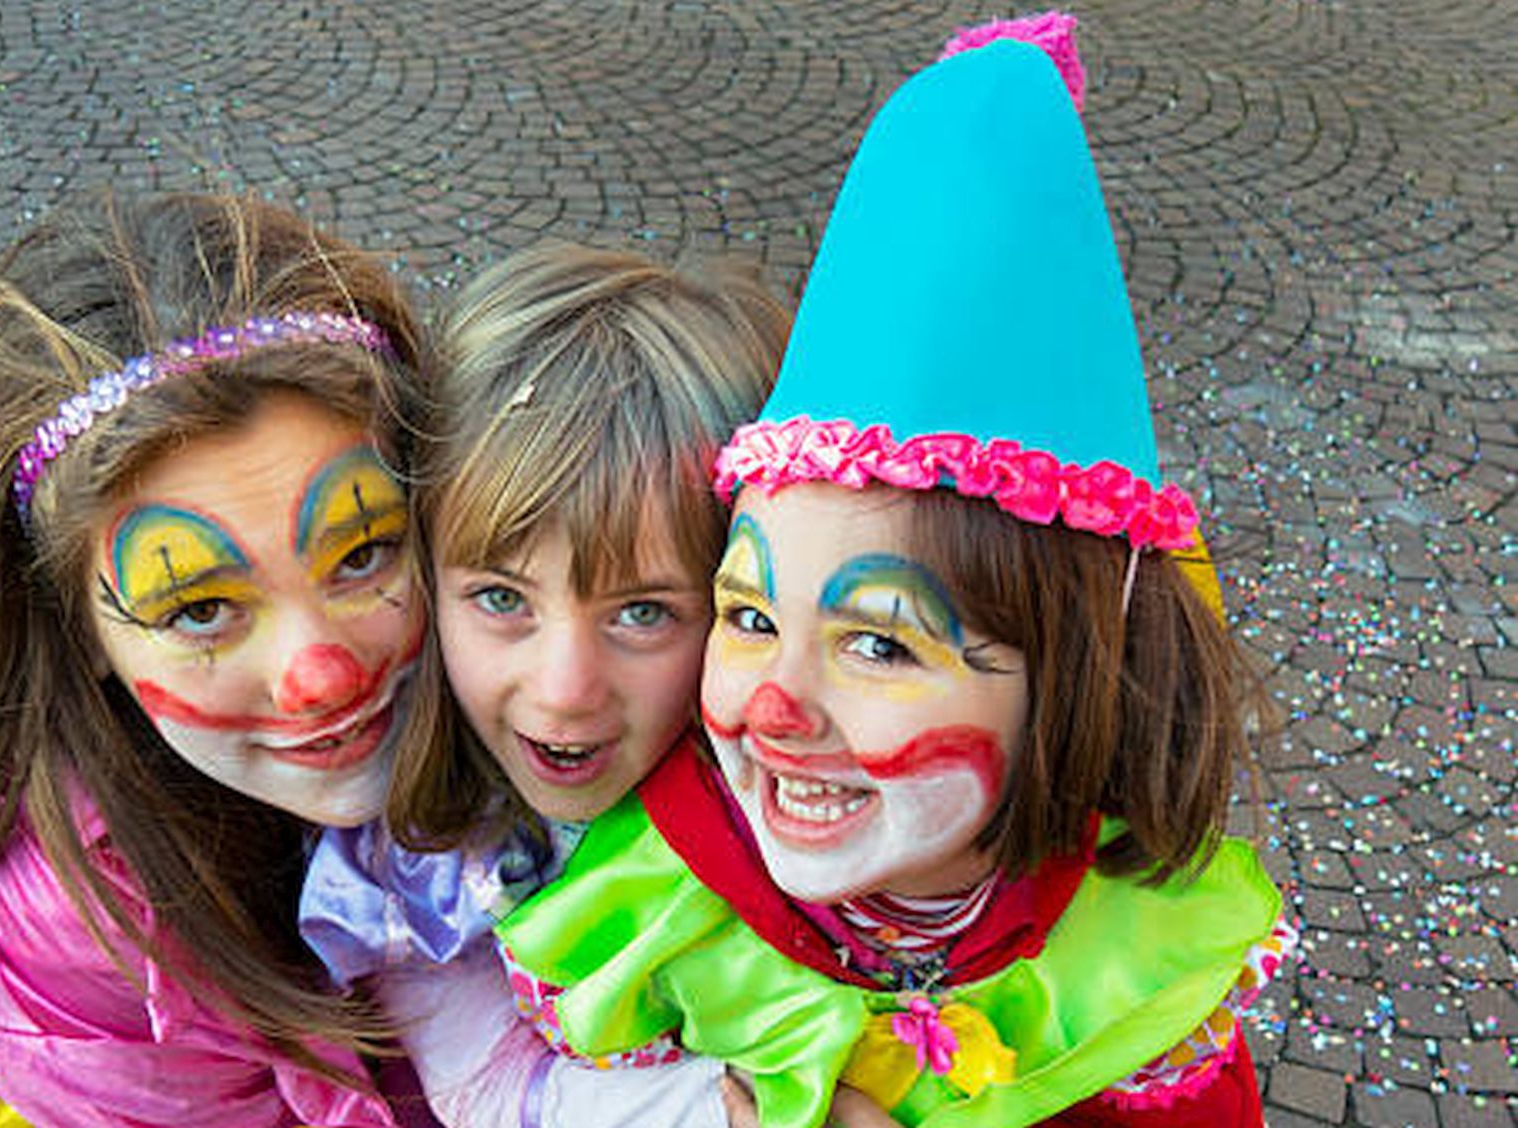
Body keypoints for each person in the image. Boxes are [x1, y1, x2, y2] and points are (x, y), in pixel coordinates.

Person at [491, 15, 1296, 1128]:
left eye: (876, 640)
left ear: (1071, 675)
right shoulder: (646, 899)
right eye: (749, 615)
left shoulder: (1138, 961)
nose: (768, 707)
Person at [0, 190, 433, 1128]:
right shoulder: (78, 937)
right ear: (73, 633)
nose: (322, 675)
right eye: (199, 608)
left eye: (362, 552)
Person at [299, 243, 791, 1127]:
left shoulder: (806, 776)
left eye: (643, 613)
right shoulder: (420, 851)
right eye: (500, 598)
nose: (565, 690)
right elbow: (486, 1091)